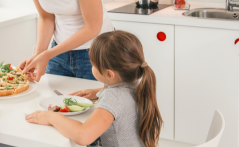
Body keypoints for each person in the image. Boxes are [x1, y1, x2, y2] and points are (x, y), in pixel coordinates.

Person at [25, 31, 163, 147]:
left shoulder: (113, 97)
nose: (92, 67)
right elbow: (122, 95)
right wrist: (99, 92)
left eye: (93, 64)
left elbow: (83, 135)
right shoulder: (138, 80)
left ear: (109, 74)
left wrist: (50, 117)